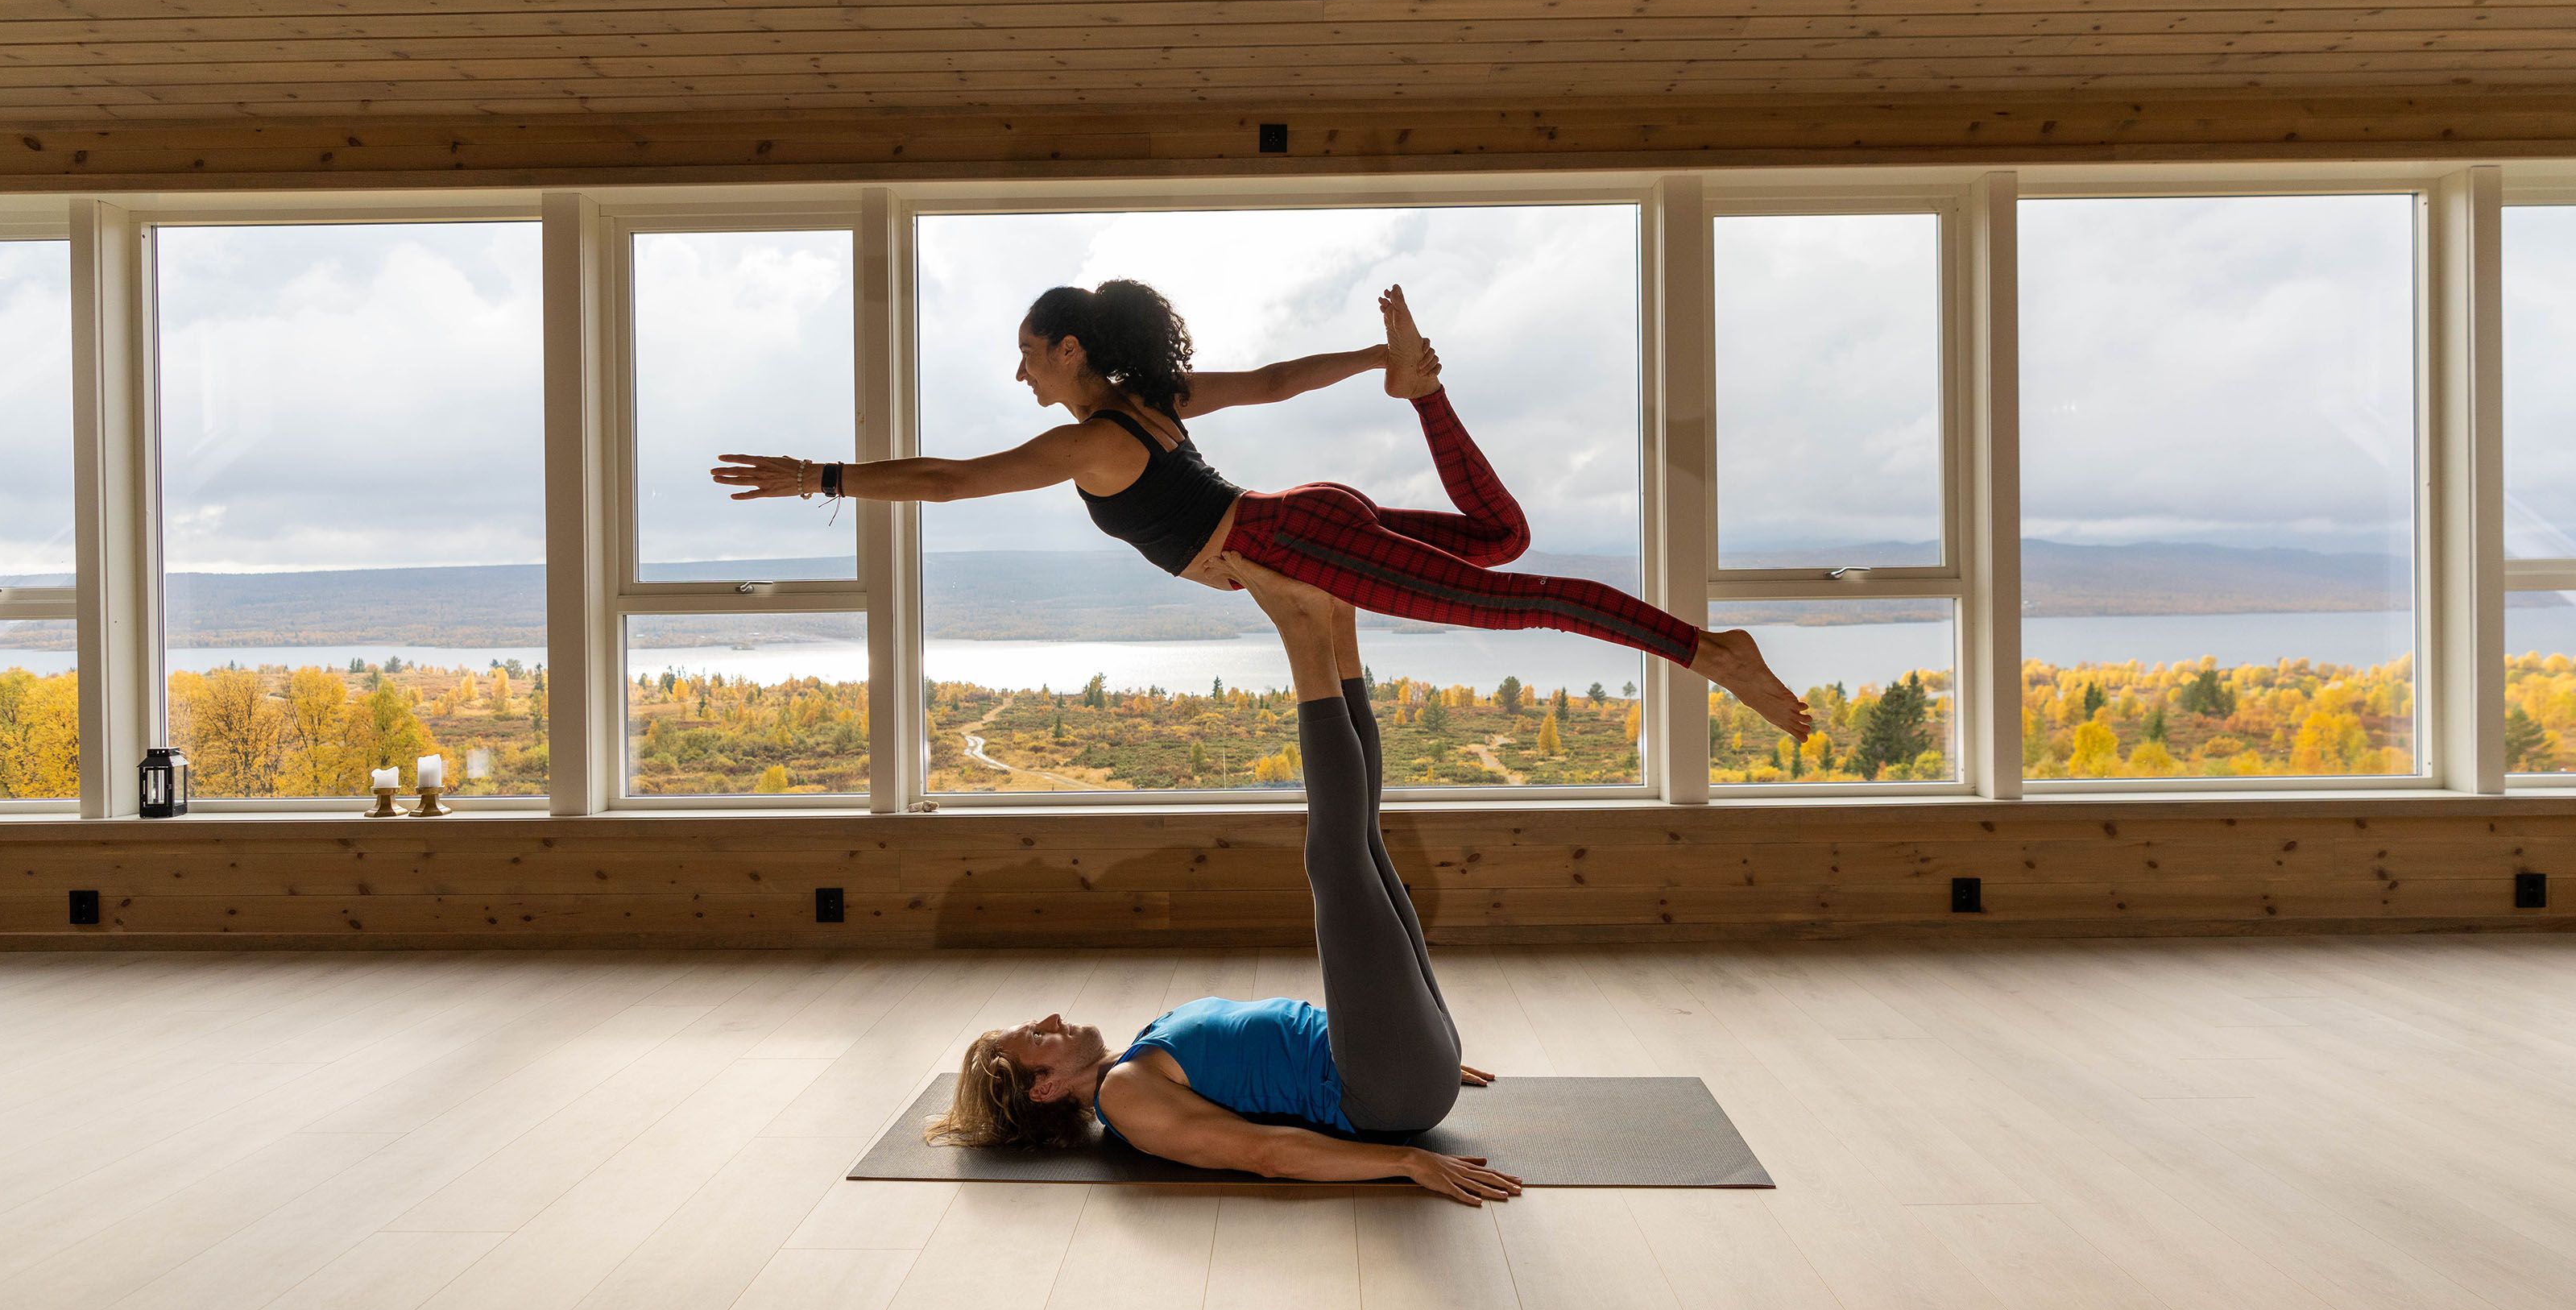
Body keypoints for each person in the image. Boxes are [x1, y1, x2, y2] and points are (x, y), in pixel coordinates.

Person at [708, 280, 1812, 738]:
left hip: (1289, 539)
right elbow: (1278, 379)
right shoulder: (1154, 404)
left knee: (1520, 598)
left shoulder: (1096, 435)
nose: (1023, 374)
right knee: (1502, 543)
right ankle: (1425, 395)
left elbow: (954, 480)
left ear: (1072, 348)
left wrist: (822, 478)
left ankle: (1711, 649)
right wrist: (1385, 358)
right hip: (1302, 519)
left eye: (1029, 356)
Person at [921, 562, 1524, 1205]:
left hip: (1394, 1061)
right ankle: (1303, 624)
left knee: (1363, 843)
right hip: (1382, 1085)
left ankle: (1336, 616)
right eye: (1038, 1035)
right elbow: (1263, 1155)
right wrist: (1405, 1160)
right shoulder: (1125, 1096)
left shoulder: (1138, 1056)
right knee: (1336, 857)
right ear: (1043, 1088)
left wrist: (1410, 1042)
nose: (1053, 1017)